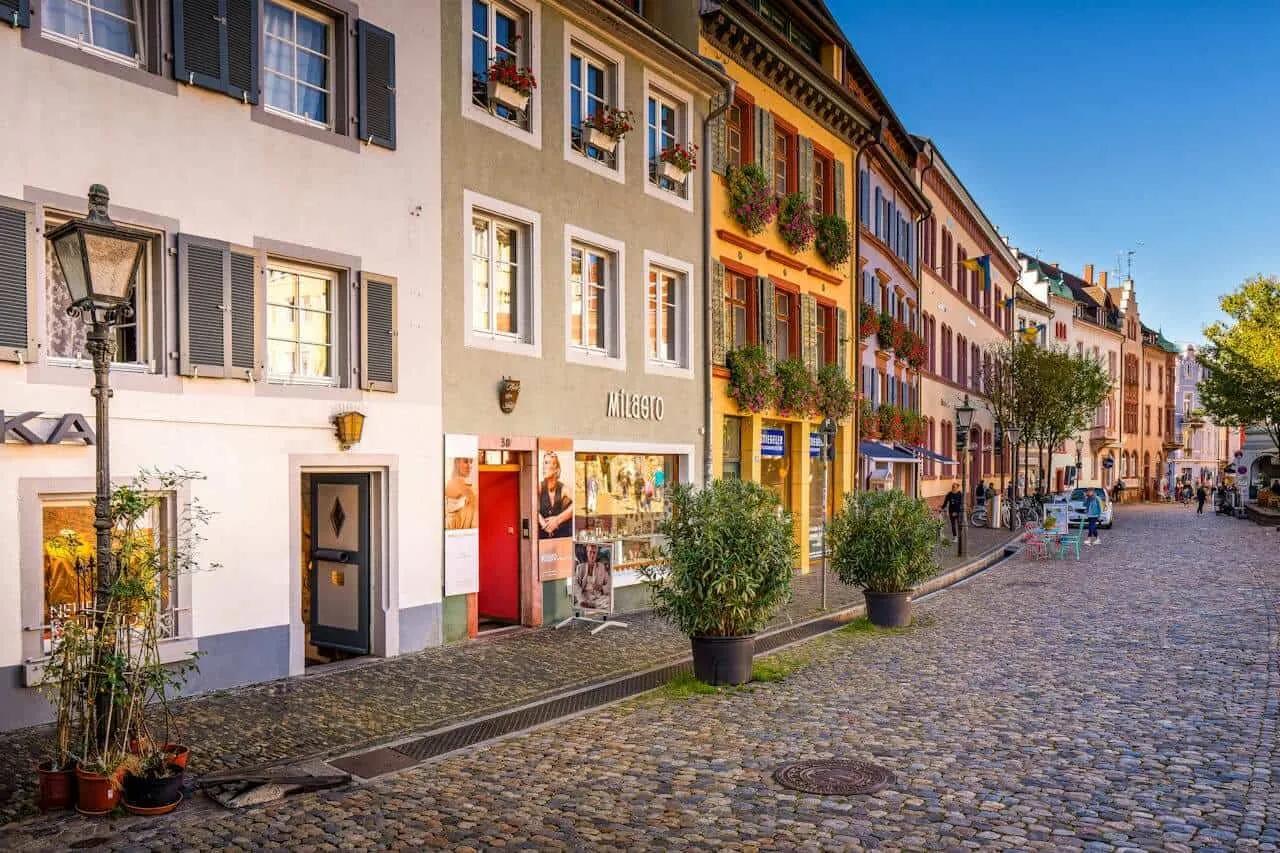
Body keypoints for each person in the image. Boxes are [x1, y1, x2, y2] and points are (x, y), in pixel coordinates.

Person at [538, 451, 574, 538]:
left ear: (556, 469)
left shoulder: (564, 488)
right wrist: (542, 522)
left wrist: (557, 520)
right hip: (542, 540)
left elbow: (577, 504)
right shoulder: (539, 486)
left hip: (561, 538)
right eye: (543, 463)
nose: (543, 467)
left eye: (547, 463)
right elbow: (529, 504)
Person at [444, 457, 477, 530]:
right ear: (457, 463)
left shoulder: (454, 480)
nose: (469, 466)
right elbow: (474, 499)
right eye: (465, 462)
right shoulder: (458, 481)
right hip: (454, 525)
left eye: (471, 462)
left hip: (454, 524)